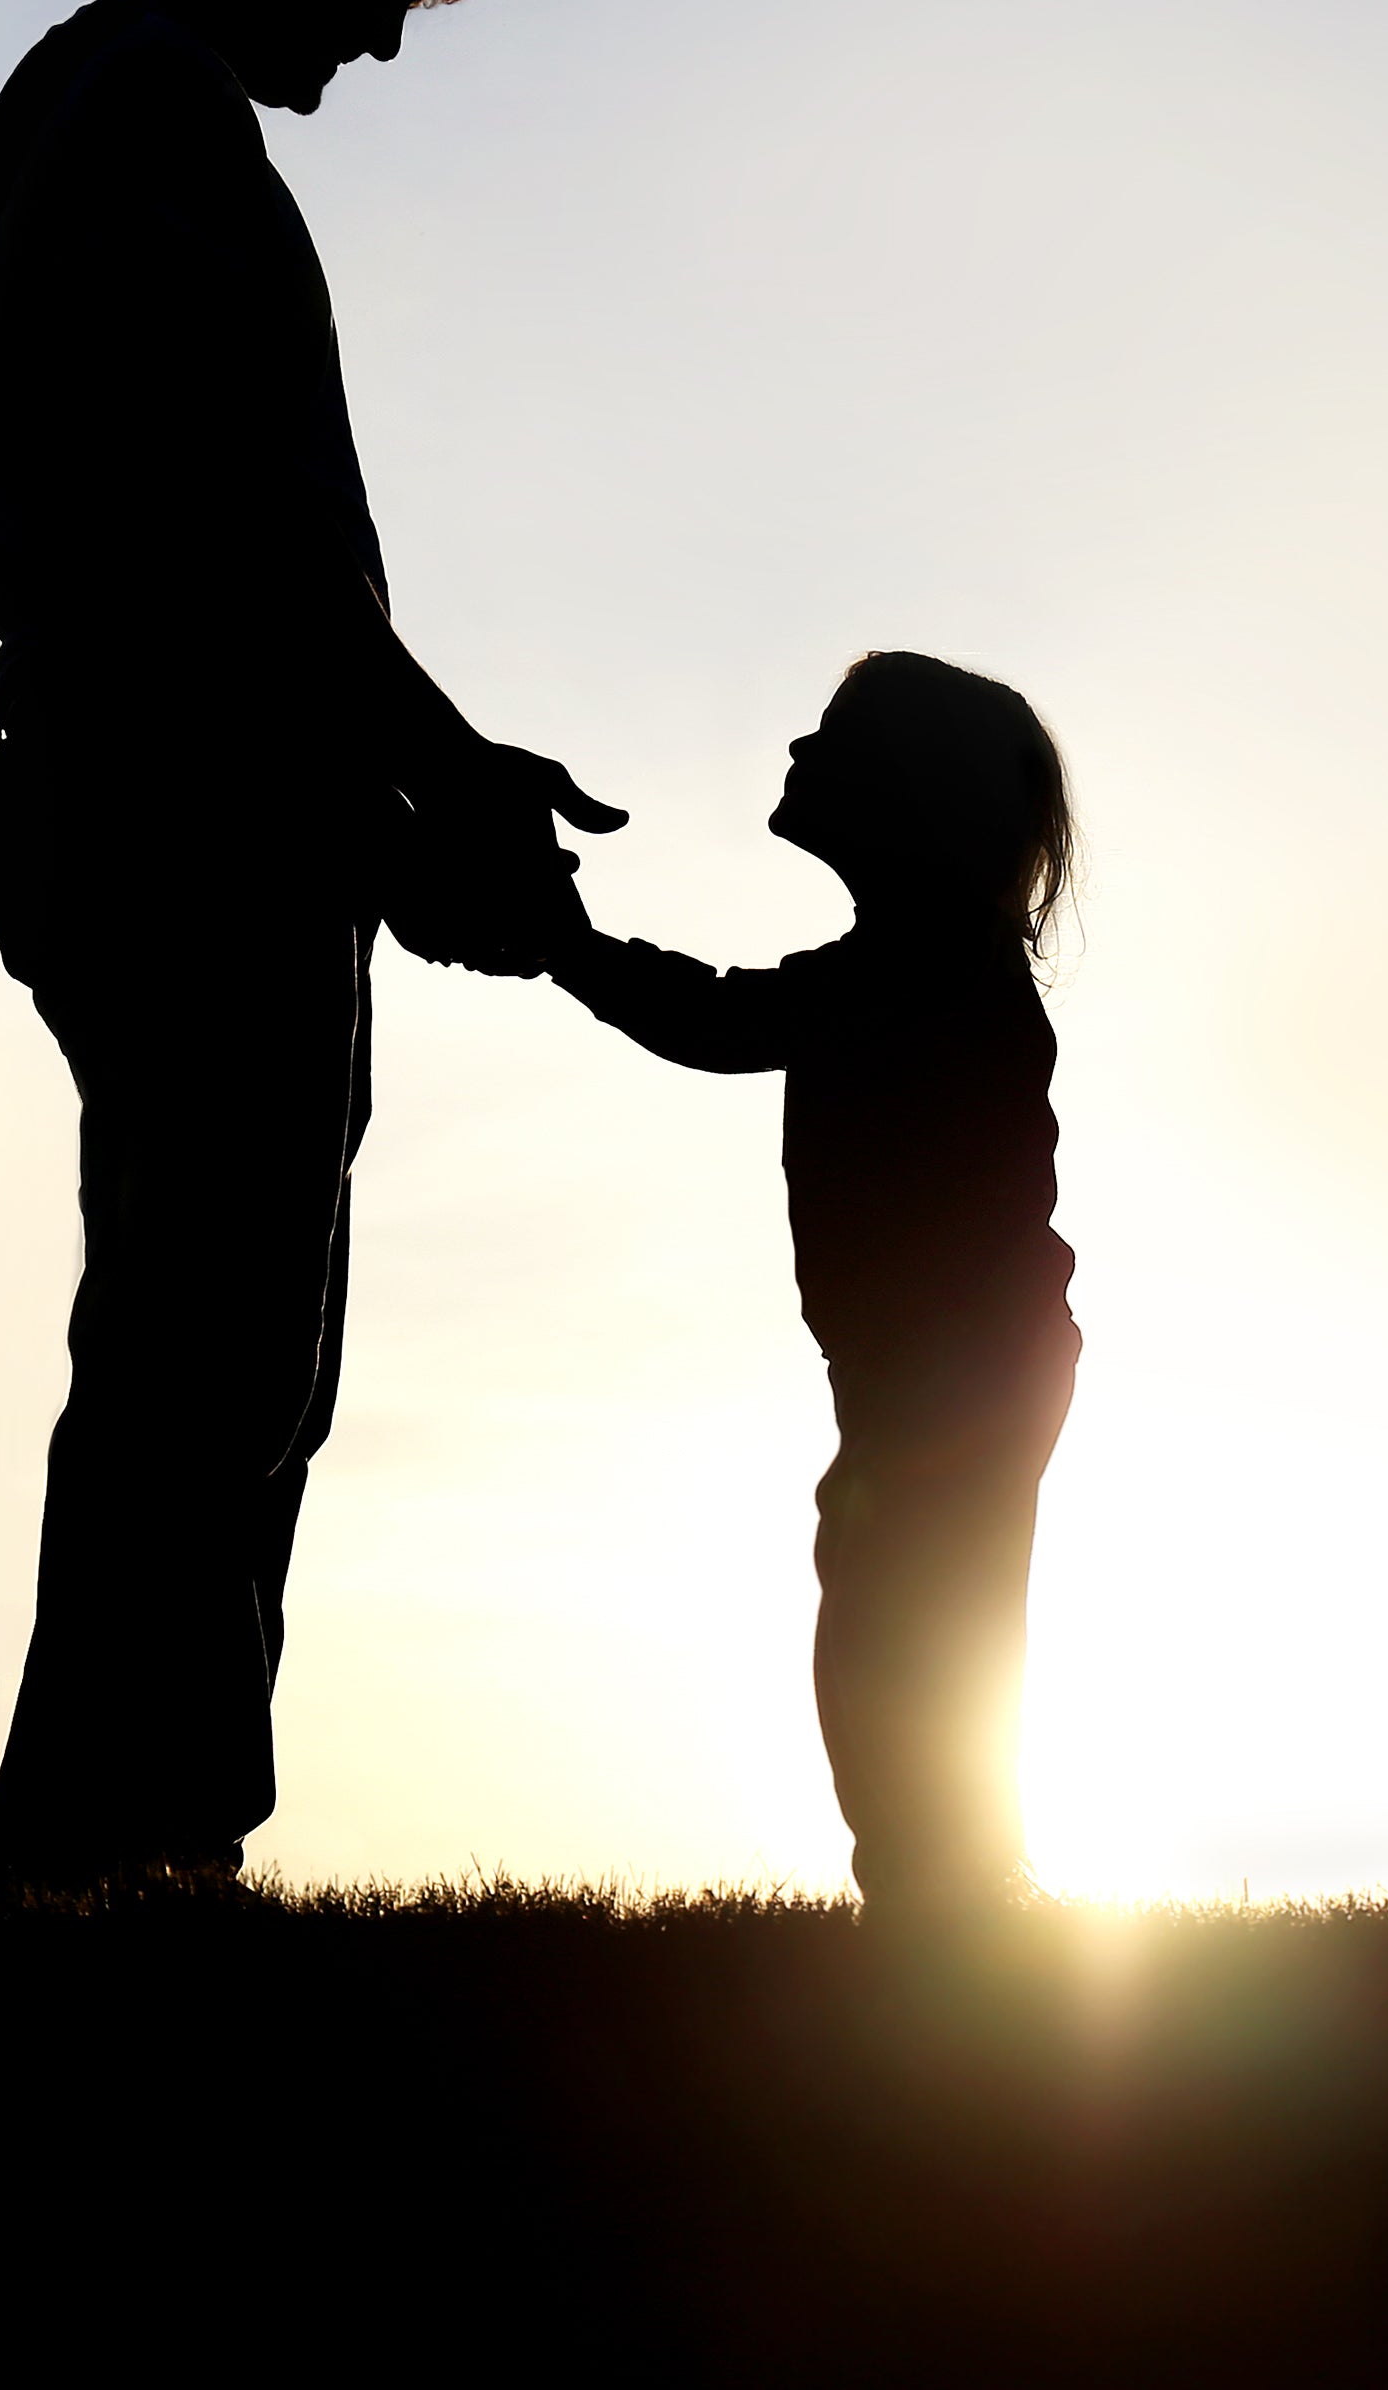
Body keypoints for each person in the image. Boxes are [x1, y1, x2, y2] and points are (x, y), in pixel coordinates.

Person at [0, 0, 620, 1900]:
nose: (389, 48)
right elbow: (203, 562)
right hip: (171, 819)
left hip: (188, 805)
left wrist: (434, 776)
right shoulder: (132, 118)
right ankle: (109, 1869)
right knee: (201, 1366)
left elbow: (259, 569)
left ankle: (138, 1858)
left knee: (222, 1358)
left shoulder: (134, 124)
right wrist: (398, 809)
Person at [539, 653, 1080, 1913]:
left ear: (909, 796)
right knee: (918, 1609)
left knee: (907, 1614)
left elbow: (722, 1022)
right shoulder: (922, 961)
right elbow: (735, 1018)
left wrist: (566, 947)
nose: (796, 746)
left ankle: (939, 1880)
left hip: (960, 1362)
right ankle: (944, 1877)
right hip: (955, 1359)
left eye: (833, 735)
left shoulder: (925, 967)